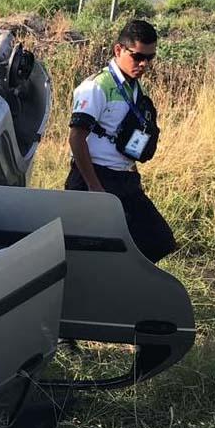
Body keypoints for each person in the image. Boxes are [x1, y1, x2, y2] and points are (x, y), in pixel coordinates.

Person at [65, 19, 177, 263]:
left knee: (157, 240)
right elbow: (76, 138)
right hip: (94, 179)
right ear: (118, 50)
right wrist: (94, 188)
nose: (144, 64)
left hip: (125, 179)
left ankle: (122, 287)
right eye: (138, 56)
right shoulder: (96, 87)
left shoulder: (134, 87)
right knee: (91, 254)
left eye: (150, 58)